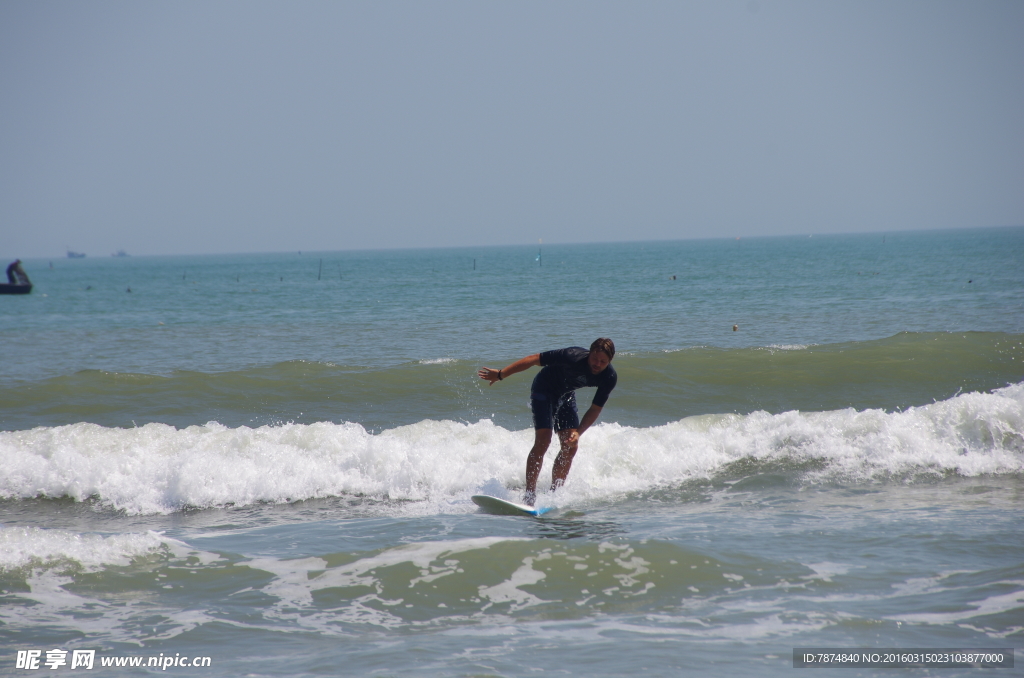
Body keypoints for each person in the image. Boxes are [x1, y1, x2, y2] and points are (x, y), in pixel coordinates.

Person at [478, 338, 617, 505]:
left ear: (610, 361)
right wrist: (501, 374)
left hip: (566, 395)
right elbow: (534, 359)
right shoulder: (571, 356)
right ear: (589, 354)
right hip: (544, 388)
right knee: (543, 441)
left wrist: (578, 432)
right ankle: (529, 496)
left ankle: (555, 494)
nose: (597, 364)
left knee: (570, 445)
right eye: (595, 359)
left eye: (603, 361)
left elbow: (595, 409)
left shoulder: (609, 376)